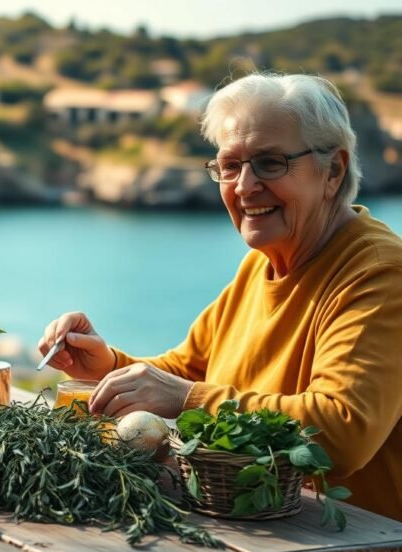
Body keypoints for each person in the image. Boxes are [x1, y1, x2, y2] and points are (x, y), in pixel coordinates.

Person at [38, 73, 402, 521]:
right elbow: (188, 370)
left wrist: (187, 398)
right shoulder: (263, 263)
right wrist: (107, 366)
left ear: (333, 171)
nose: (245, 186)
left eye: (270, 163)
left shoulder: (379, 274)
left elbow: (342, 432)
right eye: (230, 166)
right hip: (258, 532)